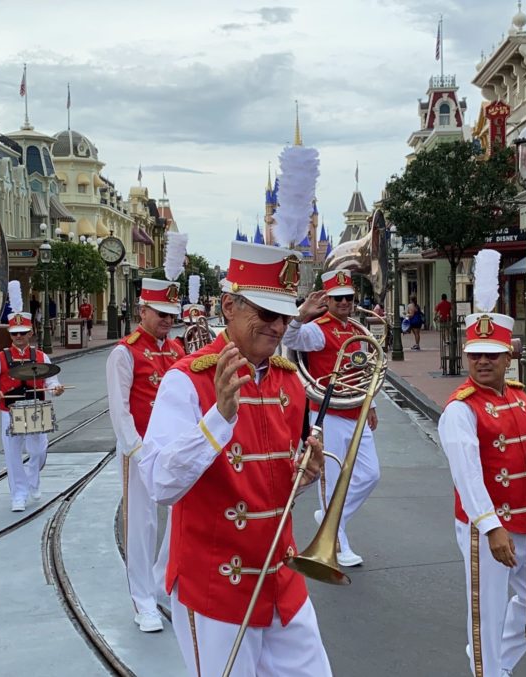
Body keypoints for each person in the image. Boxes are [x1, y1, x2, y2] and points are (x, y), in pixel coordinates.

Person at [139, 241, 331, 677]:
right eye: (266, 314)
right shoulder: (186, 380)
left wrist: (303, 475)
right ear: (229, 306)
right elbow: (159, 484)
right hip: (217, 586)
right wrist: (218, 419)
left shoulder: (290, 383)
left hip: (282, 578)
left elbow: (269, 485)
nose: (279, 327)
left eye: (285, 316)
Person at [438, 253, 526, 677]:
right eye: (475, 354)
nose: (482, 361)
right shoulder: (460, 409)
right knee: (486, 613)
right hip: (486, 525)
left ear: (509, 356)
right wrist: (491, 527)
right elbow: (467, 475)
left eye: (491, 354)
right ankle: (488, 666)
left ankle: (494, 662)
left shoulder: (520, 397)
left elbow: (516, 450)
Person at [284, 270, 380, 567]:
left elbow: (367, 371)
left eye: (348, 298)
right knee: (334, 477)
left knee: (370, 475)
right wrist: (301, 314)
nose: (344, 303)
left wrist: (371, 403)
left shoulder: (357, 329)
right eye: (337, 298)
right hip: (329, 412)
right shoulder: (317, 329)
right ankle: (337, 542)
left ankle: (330, 518)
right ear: (327, 299)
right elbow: (289, 337)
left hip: (355, 409)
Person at [105, 278, 184, 633]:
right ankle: (142, 599)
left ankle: (162, 582)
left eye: (171, 313)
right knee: (141, 524)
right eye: (160, 312)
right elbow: (119, 409)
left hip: (176, 448)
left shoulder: (177, 351)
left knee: (180, 519)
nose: (167, 319)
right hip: (142, 450)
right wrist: (135, 449)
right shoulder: (125, 352)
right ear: (143, 310)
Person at [0, 281, 64, 512]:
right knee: (13, 455)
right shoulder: (1, 358)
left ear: (30, 333)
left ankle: (33, 481)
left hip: (37, 409)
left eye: (23, 333)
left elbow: (52, 379)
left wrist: (55, 388)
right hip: (11, 410)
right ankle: (19, 494)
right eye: (15, 334)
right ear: (10, 334)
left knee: (38, 451)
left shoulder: (41, 355)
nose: (19, 338)